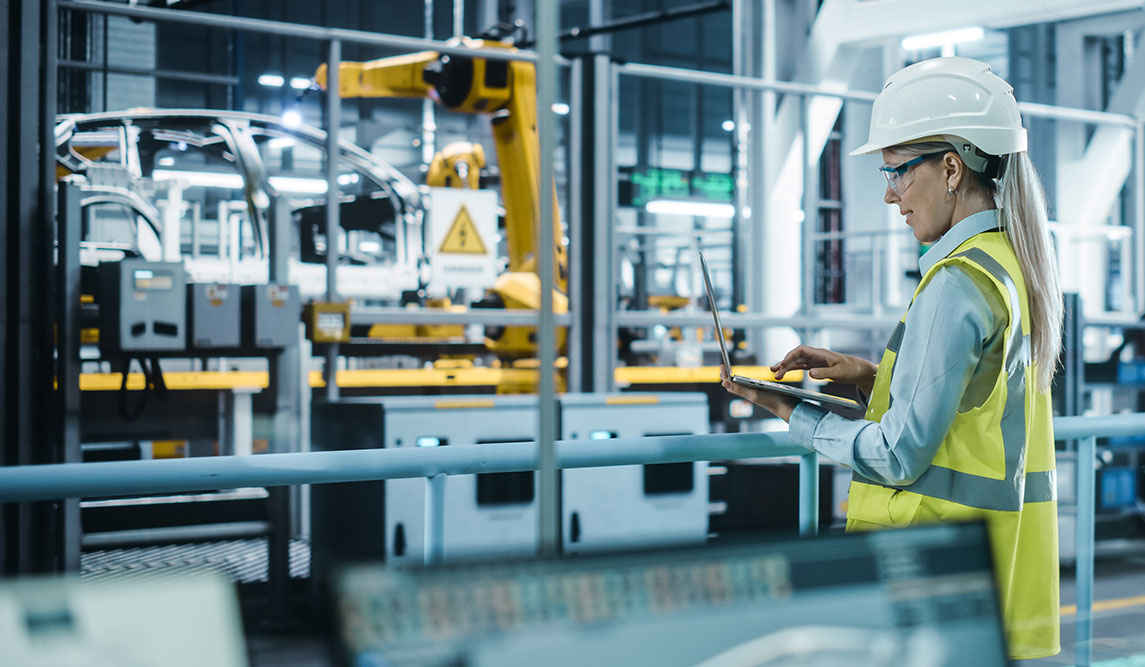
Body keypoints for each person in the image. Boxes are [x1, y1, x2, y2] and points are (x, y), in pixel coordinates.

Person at [721, 56, 1062, 660]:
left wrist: (790, 411)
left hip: (929, 571)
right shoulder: (1011, 265)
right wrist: (871, 380)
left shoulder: (956, 283)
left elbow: (900, 455)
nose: (888, 194)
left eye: (898, 172)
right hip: (995, 566)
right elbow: (975, 403)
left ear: (952, 169)